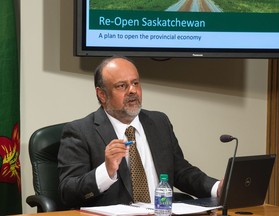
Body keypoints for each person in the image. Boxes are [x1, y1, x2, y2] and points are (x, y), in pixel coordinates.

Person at [58, 56, 222, 209]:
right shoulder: (80, 131)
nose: (132, 91)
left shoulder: (159, 122)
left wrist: (217, 187)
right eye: (122, 86)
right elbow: (68, 192)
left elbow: (181, 171)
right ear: (102, 94)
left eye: (135, 83)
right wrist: (106, 171)